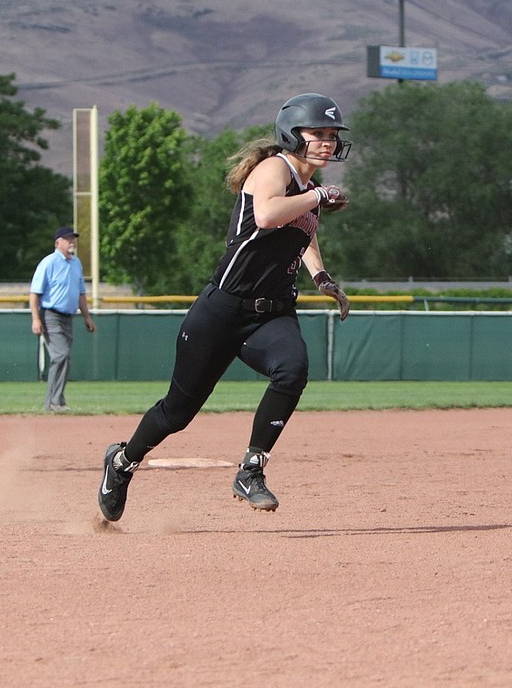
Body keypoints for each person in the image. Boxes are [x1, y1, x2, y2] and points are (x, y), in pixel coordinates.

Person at [97, 93, 353, 521]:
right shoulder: (275, 168)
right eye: (318, 133)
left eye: (332, 135)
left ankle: (251, 469)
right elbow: (269, 215)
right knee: (177, 412)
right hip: (222, 309)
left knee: (293, 370)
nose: (327, 141)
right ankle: (122, 462)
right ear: (293, 134)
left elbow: (304, 231)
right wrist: (320, 196)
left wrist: (321, 277)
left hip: (271, 313)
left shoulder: (307, 189)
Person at [30, 226, 96, 412]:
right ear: (58, 242)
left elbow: (81, 293)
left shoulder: (76, 263)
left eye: (73, 238)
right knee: (61, 356)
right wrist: (36, 319)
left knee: (64, 358)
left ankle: (56, 401)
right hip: (51, 315)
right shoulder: (49, 262)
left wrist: (87, 317)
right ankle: (53, 402)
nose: (72, 241)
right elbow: (35, 293)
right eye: (68, 238)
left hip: (68, 317)